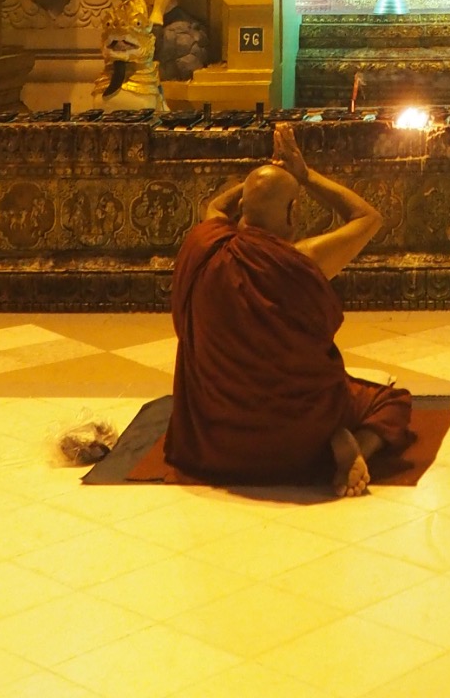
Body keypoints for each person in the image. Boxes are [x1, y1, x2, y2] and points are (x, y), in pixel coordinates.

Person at [164, 123, 412, 495]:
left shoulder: (207, 243)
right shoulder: (303, 259)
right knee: (391, 402)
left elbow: (213, 207)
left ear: (242, 207)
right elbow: (368, 218)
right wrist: (304, 174)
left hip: (216, 439)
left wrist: (258, 179)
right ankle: (356, 447)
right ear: (293, 211)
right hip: (301, 438)